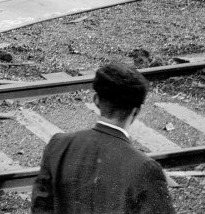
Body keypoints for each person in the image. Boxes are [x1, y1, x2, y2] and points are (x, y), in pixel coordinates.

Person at [30, 61, 173, 214]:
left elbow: (40, 207)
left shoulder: (59, 145)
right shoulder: (145, 168)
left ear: (96, 100)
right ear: (136, 111)